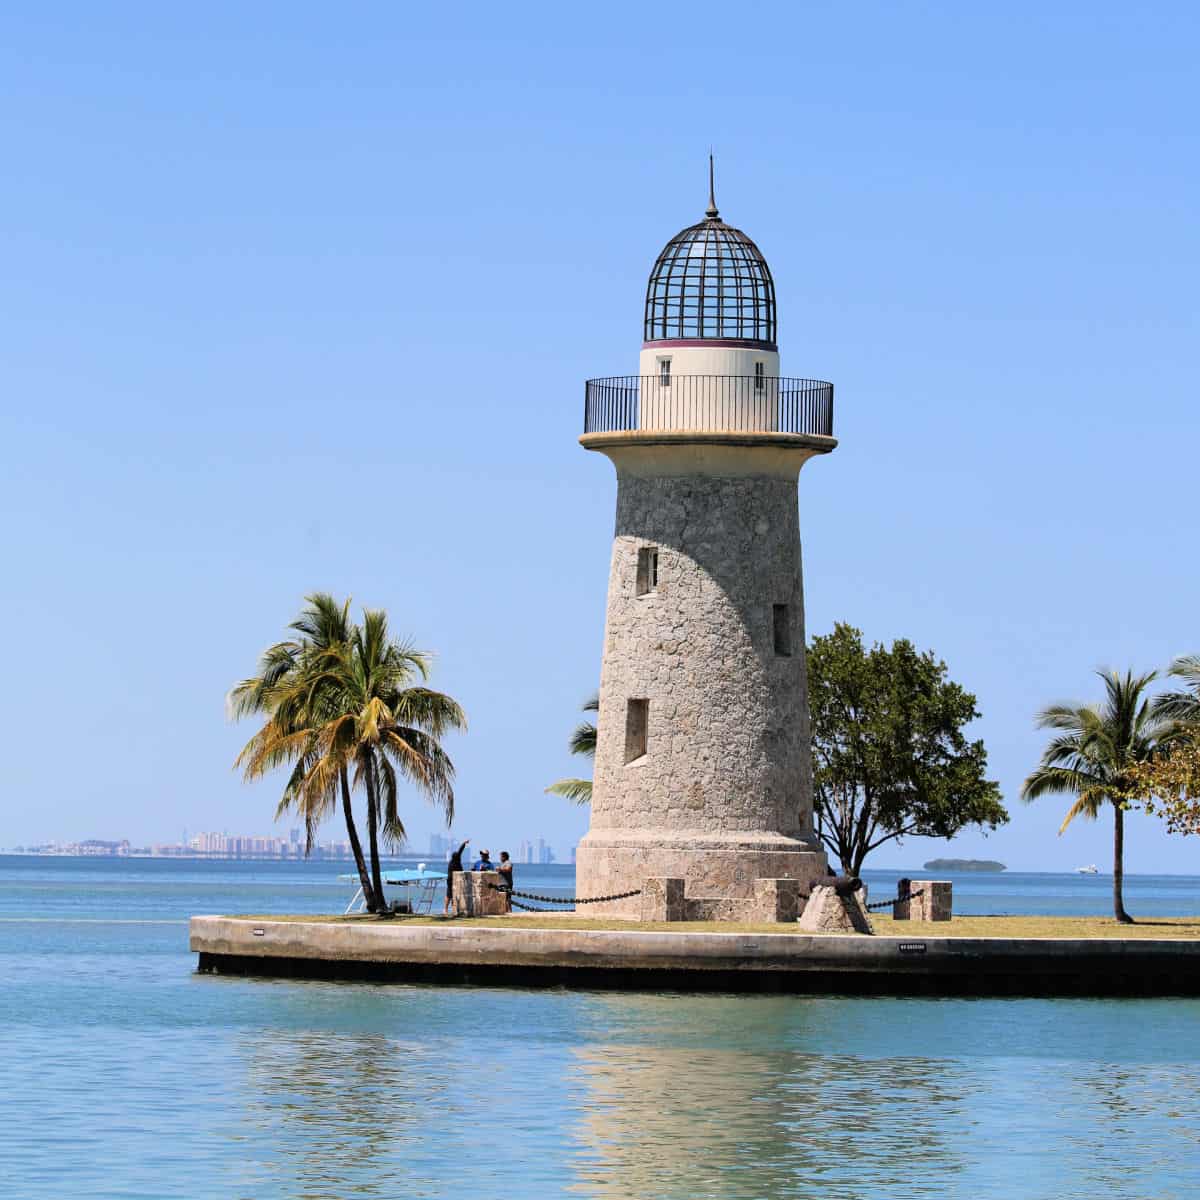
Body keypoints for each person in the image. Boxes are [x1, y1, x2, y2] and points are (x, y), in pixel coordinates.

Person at [443, 839, 469, 916]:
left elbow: (459, 851)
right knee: (449, 895)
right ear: (457, 857)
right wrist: (464, 843)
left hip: (454, 880)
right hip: (451, 880)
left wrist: (464, 843)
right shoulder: (454, 863)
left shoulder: (454, 861)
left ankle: (453, 910)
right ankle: (446, 909)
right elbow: (460, 851)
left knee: (453, 895)